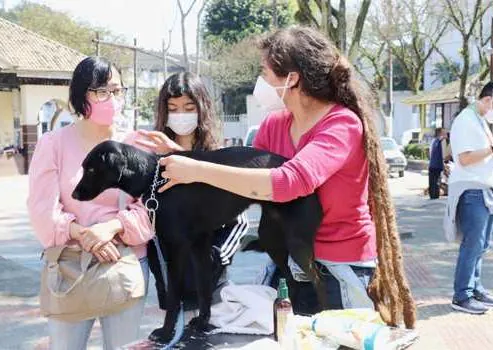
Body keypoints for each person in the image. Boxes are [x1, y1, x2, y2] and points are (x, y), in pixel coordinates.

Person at [155, 26, 416, 328]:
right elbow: (245, 179)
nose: (261, 81)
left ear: (292, 78)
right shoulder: (274, 125)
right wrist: (185, 160)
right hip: (288, 263)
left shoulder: (342, 125)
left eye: (265, 72)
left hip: (339, 268)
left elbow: (287, 183)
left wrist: (197, 169)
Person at [27, 56, 154, 349]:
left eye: (117, 90)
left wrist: (110, 227)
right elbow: (42, 210)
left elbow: (151, 207)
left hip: (124, 262)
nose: (112, 99)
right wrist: (84, 236)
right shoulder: (53, 144)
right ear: (81, 94)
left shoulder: (135, 143)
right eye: (102, 91)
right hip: (68, 267)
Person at [136, 72, 249, 316]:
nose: (180, 115)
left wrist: (216, 258)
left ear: (202, 109)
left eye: (188, 107)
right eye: (173, 108)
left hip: (212, 290)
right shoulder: (153, 162)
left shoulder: (218, 159)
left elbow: (239, 221)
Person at [445, 82, 493, 314]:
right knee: (472, 244)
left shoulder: (480, 120)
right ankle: (461, 295)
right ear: (488, 99)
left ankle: (474, 288)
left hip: (483, 188)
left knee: (482, 244)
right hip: (471, 189)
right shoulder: (466, 120)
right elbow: (464, 158)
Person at [428, 128, 447, 199]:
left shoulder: (434, 141)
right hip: (436, 165)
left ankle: (434, 195)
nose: (445, 134)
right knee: (435, 181)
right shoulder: (438, 141)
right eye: (443, 132)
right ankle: (434, 195)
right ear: (440, 133)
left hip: (433, 164)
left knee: (434, 181)